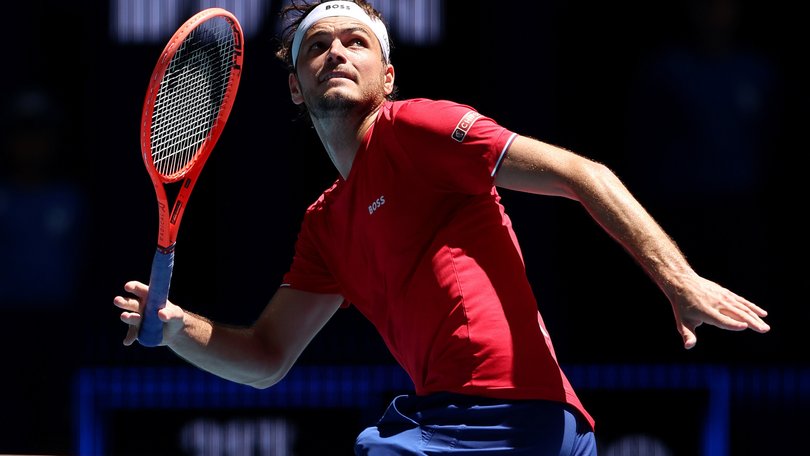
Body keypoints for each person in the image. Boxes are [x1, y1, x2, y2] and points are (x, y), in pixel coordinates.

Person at [114, 1, 770, 454]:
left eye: (355, 42)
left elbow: (580, 173)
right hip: (526, 428)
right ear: (295, 87)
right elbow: (264, 357)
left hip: (502, 412)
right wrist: (176, 331)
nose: (336, 52)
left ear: (387, 76)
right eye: (317, 45)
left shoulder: (417, 129)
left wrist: (678, 279)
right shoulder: (325, 226)